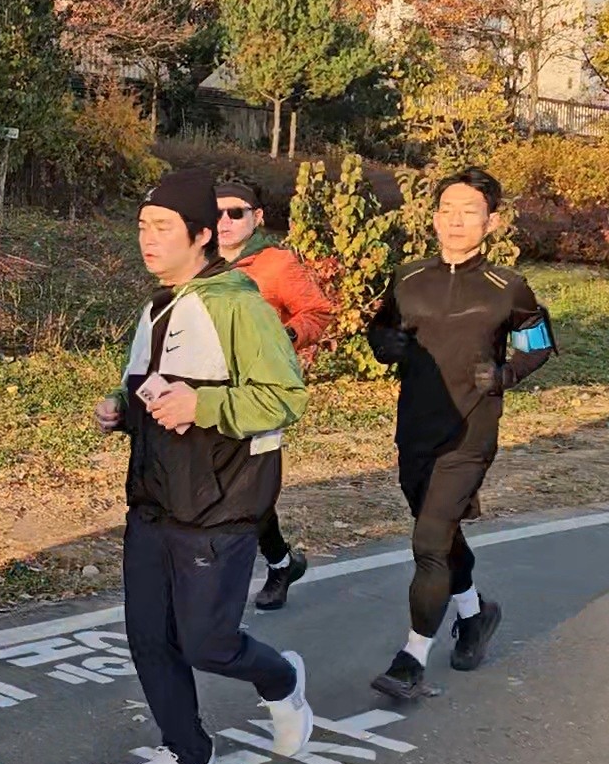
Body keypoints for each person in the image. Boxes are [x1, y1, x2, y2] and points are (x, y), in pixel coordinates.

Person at [93, 170, 315, 764]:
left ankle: (282, 681)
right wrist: (119, 407)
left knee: (207, 642)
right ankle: (188, 750)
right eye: (142, 227)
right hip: (155, 499)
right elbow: (153, 384)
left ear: (201, 235)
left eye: (162, 228)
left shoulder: (238, 305)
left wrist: (204, 408)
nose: (147, 239)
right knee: (148, 637)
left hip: (220, 501)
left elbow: (284, 396)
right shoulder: (157, 304)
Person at [367, 168, 554, 701]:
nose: (456, 219)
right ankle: (474, 615)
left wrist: (507, 374)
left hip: (471, 432)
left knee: (428, 542)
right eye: (447, 208)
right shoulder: (408, 276)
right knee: (442, 532)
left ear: (490, 221)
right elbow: (380, 327)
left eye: (469, 210)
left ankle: (410, 659)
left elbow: (537, 343)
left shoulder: (507, 287)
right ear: (433, 216)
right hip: (416, 429)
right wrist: (388, 346)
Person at [215, 175, 333, 611]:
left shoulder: (275, 264)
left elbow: (319, 312)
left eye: (236, 213)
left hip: (261, 396)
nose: (224, 221)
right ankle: (281, 561)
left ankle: (257, 573)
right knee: (218, 488)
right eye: (217, 213)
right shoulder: (198, 263)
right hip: (207, 396)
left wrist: (282, 337)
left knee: (249, 494)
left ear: (257, 217)